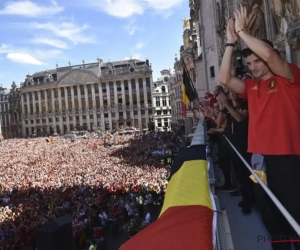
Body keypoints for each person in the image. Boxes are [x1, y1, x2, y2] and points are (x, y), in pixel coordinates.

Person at [219, 4, 300, 250]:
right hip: (260, 162)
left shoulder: (289, 77)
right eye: (249, 63)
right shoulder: (252, 89)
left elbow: (269, 55)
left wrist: (243, 32)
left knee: (294, 216)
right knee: (271, 219)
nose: (253, 66)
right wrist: (231, 43)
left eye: (256, 61)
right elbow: (223, 79)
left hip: (288, 160)